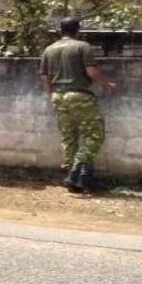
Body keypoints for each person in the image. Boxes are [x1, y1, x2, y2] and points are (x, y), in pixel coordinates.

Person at [40, 18, 117, 193]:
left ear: (60, 30)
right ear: (77, 30)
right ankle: (76, 171)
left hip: (58, 96)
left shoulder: (48, 50)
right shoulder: (82, 46)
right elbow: (91, 71)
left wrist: (53, 95)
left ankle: (77, 180)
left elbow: (44, 77)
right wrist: (107, 85)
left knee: (69, 137)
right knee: (95, 135)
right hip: (79, 95)